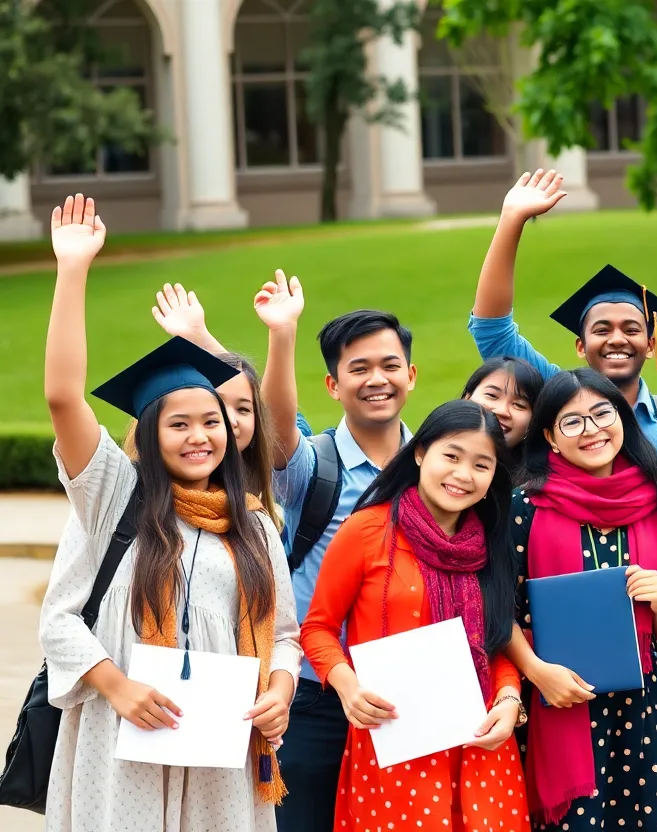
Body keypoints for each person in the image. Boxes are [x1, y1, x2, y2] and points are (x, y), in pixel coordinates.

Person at [39, 194, 300, 832]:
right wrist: (72, 270)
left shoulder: (255, 524)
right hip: (120, 742)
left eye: (211, 421)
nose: (199, 436)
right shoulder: (113, 498)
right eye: (178, 423)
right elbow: (62, 397)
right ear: (151, 433)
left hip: (221, 757)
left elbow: (285, 636)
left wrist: (280, 694)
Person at [300, 400, 529, 831]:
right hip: (396, 739)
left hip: (482, 745)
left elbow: (495, 639)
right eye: (452, 456)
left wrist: (509, 699)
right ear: (420, 452)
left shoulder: (491, 544)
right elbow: (318, 629)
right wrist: (348, 688)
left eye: (482, 465)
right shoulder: (367, 530)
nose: (464, 475)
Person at [253, 271, 417, 832]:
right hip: (316, 698)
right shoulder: (313, 468)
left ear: (411, 375)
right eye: (359, 369)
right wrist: (282, 334)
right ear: (332, 384)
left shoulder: (437, 466)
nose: (378, 379)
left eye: (390, 365)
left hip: (406, 694)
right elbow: (275, 438)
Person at [467, 170, 657, 464]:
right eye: (602, 330)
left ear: (650, 345)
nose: (617, 339)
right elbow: (492, 329)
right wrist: (511, 220)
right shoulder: (554, 398)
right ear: (580, 345)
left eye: (632, 329)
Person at [504, 368, 657, 830]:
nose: (592, 430)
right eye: (572, 421)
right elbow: (498, 611)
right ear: (549, 435)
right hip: (559, 700)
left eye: (602, 413)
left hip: (644, 707)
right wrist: (538, 673)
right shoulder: (525, 507)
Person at [144, 283, 282, 526]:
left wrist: (201, 339)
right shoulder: (131, 497)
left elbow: (269, 409)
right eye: (215, 413)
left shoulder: (259, 514)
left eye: (243, 409)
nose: (230, 420)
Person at [460, 355, 544, 458]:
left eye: (519, 405)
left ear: (532, 424)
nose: (502, 410)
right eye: (492, 395)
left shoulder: (542, 473)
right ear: (467, 398)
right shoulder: (435, 448)